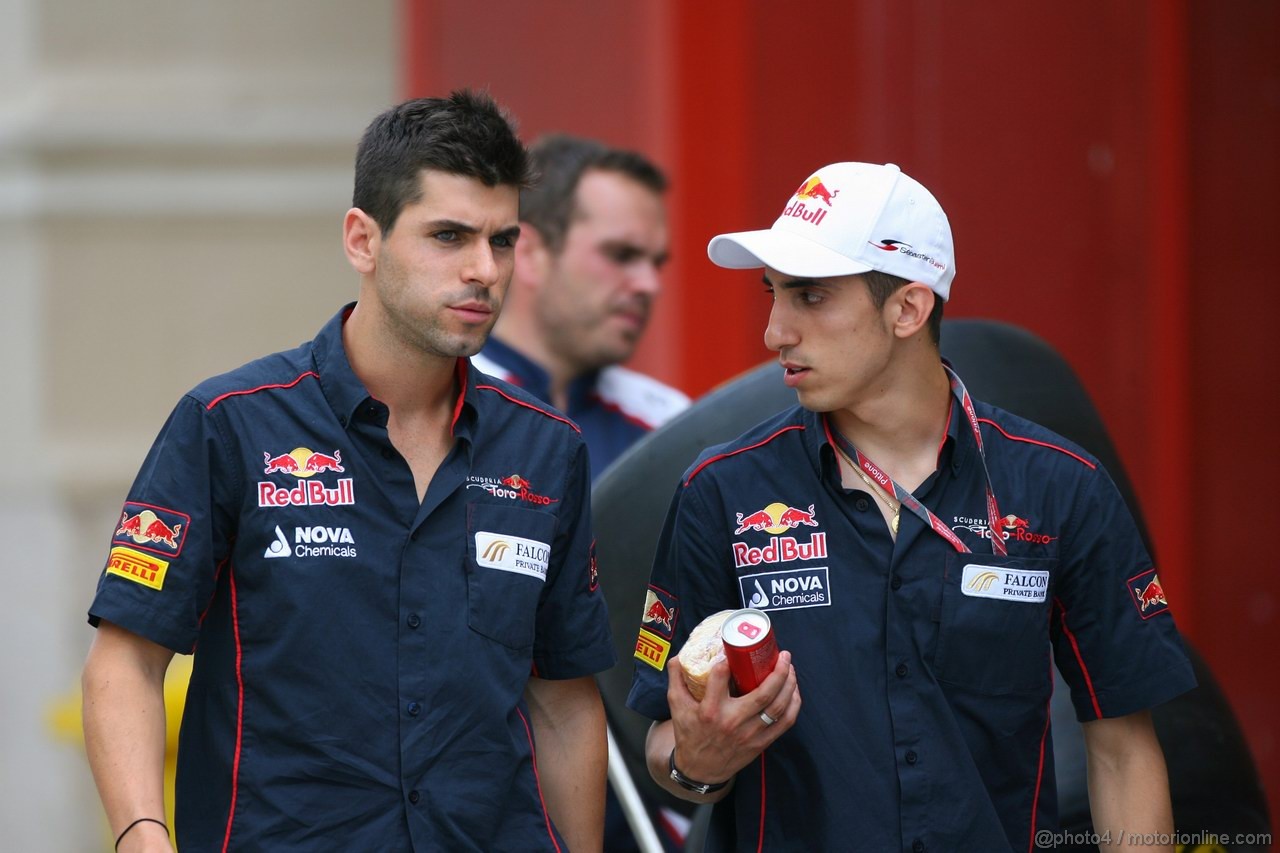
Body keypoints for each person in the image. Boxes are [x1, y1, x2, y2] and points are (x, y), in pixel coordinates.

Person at [81, 91, 615, 853]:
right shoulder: (231, 423)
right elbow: (125, 664)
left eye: (502, 241)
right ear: (363, 240)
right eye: (449, 236)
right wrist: (142, 836)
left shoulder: (546, 449)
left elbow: (563, 702)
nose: (482, 269)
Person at [626, 162, 1195, 851]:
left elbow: (1123, 751)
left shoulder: (1060, 486)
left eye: (809, 297)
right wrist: (697, 762)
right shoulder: (721, 489)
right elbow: (663, 743)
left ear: (908, 309)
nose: (775, 330)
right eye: (772, 293)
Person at [472, 134, 689, 476]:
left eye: (656, 262)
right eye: (621, 254)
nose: (650, 284)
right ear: (529, 253)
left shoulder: (673, 426)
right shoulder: (437, 407)